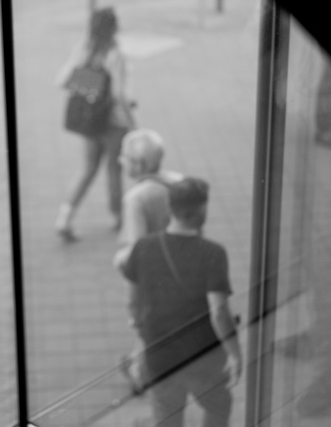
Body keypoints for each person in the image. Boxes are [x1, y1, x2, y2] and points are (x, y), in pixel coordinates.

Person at [122, 177, 243, 427]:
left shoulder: (143, 246)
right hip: (202, 355)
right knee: (219, 407)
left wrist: (139, 340)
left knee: (167, 414)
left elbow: (133, 301)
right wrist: (235, 353)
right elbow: (219, 312)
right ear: (201, 210)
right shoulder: (212, 253)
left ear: (170, 209)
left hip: (160, 354)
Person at [54, 6, 136, 241]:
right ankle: (118, 218)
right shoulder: (115, 54)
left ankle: (64, 217)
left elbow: (61, 80)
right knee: (114, 169)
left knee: (88, 169)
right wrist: (133, 125)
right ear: (114, 27)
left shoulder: (83, 48)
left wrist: (89, 84)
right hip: (113, 123)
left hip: (90, 123)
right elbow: (120, 94)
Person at [111, 129, 182, 393]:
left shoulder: (136, 198)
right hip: (180, 272)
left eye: (124, 156)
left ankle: (142, 376)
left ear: (138, 164)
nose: (120, 160)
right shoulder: (179, 182)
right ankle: (138, 368)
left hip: (153, 282)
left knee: (146, 327)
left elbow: (137, 255)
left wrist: (120, 262)